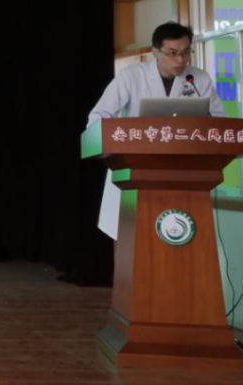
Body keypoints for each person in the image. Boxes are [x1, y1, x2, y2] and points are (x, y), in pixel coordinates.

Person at [87, 21, 227, 238]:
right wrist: (120, 145)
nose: (181, 60)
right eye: (172, 53)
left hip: (184, 169)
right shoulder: (131, 76)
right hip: (134, 167)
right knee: (132, 237)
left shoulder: (198, 78)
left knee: (182, 233)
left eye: (186, 52)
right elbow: (97, 118)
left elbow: (219, 121)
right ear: (155, 52)